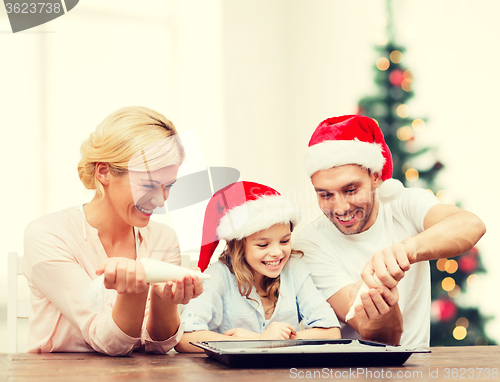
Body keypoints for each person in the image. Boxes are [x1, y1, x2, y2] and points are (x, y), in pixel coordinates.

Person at [23, 106, 203, 355]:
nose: (161, 201)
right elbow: (107, 341)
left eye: (168, 186)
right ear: (104, 171)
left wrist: (165, 301)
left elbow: (158, 346)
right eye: (149, 185)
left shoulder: (163, 238)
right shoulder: (48, 235)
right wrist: (135, 291)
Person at [295, 115, 486, 347]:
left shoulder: (403, 203)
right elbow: (374, 334)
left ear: (376, 177)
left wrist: (407, 249)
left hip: (418, 368)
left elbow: (471, 225)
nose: (340, 207)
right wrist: (384, 304)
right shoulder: (309, 244)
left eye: (351, 189)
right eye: (325, 194)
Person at [175, 181, 341, 353]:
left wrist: (267, 341)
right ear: (238, 245)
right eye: (263, 245)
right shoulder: (218, 275)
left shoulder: (295, 269)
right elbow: (186, 339)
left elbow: (331, 332)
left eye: (285, 241)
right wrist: (260, 340)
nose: (277, 252)